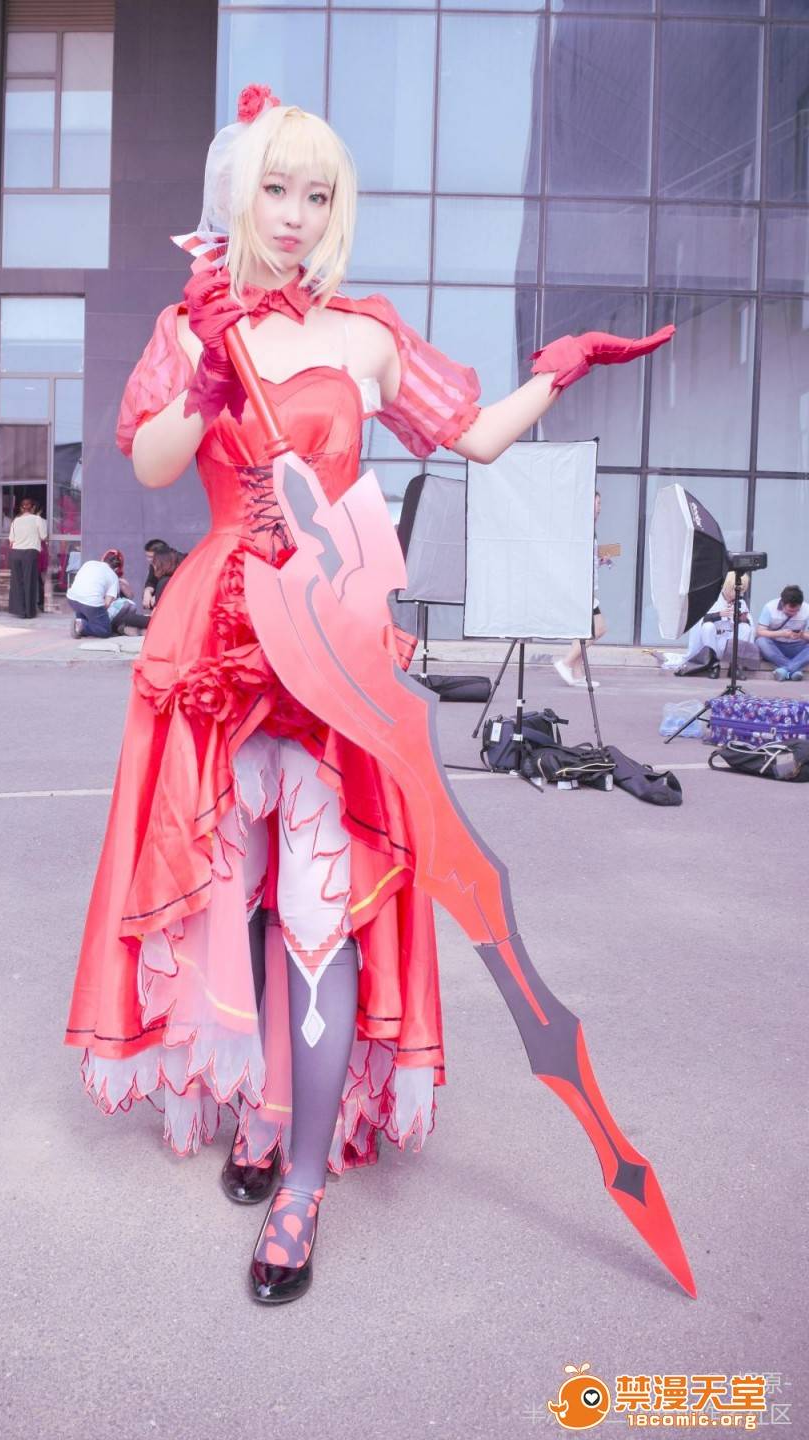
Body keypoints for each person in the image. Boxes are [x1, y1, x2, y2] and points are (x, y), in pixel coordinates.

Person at [64, 87, 674, 1306]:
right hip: (217, 641)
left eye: (318, 195)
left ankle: (301, 1180)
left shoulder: (365, 334)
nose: (295, 215)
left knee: (318, 913)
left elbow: (475, 437)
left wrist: (560, 371)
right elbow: (152, 462)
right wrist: (206, 376)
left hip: (331, 640)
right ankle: (260, 1108)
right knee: (234, 899)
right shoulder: (193, 326)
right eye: (276, 190)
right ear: (240, 195)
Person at [553, 490, 609, 688]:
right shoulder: (581, 529)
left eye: (600, 504)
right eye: (597, 503)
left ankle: (577, 674)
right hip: (581, 588)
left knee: (582, 631)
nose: (600, 508)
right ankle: (566, 663)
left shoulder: (589, 529)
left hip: (585, 587)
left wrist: (600, 559)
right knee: (598, 629)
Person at [676, 572, 754, 678]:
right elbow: (700, 620)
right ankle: (714, 665)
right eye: (736, 590)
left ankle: (734, 666)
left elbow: (749, 623)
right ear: (728, 587)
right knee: (708, 626)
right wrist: (719, 615)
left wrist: (739, 618)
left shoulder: (741, 603)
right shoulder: (712, 599)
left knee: (745, 628)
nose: (738, 594)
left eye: (741, 591)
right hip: (713, 643)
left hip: (730, 644)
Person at [67, 553, 150, 638]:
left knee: (86, 609)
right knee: (105, 631)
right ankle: (82, 625)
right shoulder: (113, 576)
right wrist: (104, 615)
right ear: (116, 569)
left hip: (72, 598)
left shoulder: (89, 563)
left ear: (103, 559)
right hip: (91, 604)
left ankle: (80, 620)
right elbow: (107, 603)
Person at [756, 584, 809, 681]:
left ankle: (785, 670)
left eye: (796, 611)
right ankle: (794, 670)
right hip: (776, 646)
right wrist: (781, 633)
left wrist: (802, 635)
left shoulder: (807, 609)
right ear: (782, 604)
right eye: (789, 611)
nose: (793, 614)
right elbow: (760, 632)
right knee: (761, 642)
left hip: (798, 646)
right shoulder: (769, 607)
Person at [7, 498, 47, 619]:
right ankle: (29, 612)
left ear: (21, 508)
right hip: (30, 553)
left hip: (15, 553)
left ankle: (20, 611)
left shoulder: (15, 521)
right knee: (29, 582)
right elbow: (43, 536)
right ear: (33, 508)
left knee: (17, 582)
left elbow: (11, 539)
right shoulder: (37, 519)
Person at [149, 540, 187, 606]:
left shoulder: (164, 582)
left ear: (162, 564)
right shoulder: (180, 579)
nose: (153, 567)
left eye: (154, 563)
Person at [141, 537, 169, 611]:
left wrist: (158, 595)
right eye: (147, 557)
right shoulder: (153, 566)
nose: (149, 560)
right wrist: (147, 592)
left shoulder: (173, 566)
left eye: (152, 557)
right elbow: (151, 582)